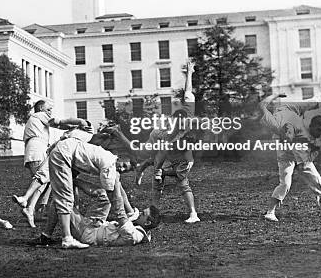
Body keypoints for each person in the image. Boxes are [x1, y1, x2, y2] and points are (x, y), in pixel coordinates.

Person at [48, 129, 135, 249]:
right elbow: (112, 194)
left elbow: (113, 190)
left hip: (64, 152)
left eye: (126, 170)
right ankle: (67, 238)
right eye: (124, 165)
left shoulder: (106, 156)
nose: (123, 169)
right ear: (120, 158)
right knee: (64, 198)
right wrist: (123, 218)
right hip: (64, 154)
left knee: (65, 196)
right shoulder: (109, 163)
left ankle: (47, 235)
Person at [260, 93, 321, 222]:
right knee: (285, 183)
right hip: (285, 154)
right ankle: (270, 212)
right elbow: (262, 105)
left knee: (316, 179)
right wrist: (274, 96)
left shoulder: (295, 112)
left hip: (301, 153)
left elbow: (315, 101)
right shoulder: (274, 122)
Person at [14, 100, 89, 227]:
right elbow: (58, 122)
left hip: (38, 149)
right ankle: (28, 202)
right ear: (41, 108)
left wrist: (72, 127)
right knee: (44, 178)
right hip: (37, 149)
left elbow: (59, 125)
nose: (50, 112)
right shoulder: (38, 115)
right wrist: (78, 122)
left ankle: (31, 208)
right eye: (48, 109)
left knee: (46, 180)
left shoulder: (38, 119)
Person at [37, 175, 160, 247]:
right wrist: (116, 178)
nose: (140, 214)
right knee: (104, 195)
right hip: (95, 224)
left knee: (60, 202)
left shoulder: (136, 236)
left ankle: (45, 236)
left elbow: (119, 211)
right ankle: (73, 180)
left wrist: (114, 184)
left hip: (88, 234)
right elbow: (124, 200)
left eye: (143, 214)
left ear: (147, 223)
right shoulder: (139, 221)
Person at [148, 60, 200, 223]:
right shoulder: (170, 129)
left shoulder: (175, 133)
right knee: (157, 181)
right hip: (173, 155)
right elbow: (188, 91)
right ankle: (154, 212)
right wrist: (189, 73)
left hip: (184, 159)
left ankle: (193, 214)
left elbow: (163, 153)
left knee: (182, 182)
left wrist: (157, 169)